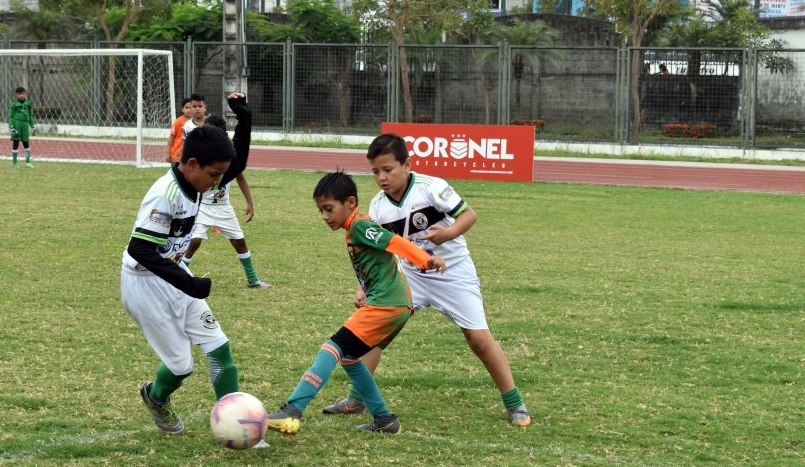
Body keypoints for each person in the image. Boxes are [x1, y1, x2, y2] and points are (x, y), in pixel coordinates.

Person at [320, 134, 532, 426]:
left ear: (406, 164)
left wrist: (448, 233)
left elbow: (469, 214)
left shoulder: (431, 187)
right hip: (409, 276)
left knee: (478, 339)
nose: (381, 178)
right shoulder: (379, 206)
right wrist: (363, 286)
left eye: (388, 170)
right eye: (375, 172)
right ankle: (357, 399)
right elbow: (378, 251)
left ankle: (515, 404)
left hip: (453, 273)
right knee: (375, 333)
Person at [266, 171, 446, 436]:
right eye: (320, 211)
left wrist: (425, 260)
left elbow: (393, 242)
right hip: (394, 304)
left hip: (387, 304)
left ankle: (293, 409)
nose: (325, 217)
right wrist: (365, 288)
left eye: (329, 209)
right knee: (350, 358)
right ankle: (385, 419)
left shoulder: (360, 225)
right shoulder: (354, 226)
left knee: (332, 347)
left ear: (350, 202)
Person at [122, 125, 259, 443]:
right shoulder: (165, 194)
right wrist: (189, 282)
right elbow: (139, 249)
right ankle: (155, 396)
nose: (218, 182)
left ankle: (235, 423)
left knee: (219, 350)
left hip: (175, 276)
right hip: (144, 284)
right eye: (215, 175)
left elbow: (235, 165)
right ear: (192, 164)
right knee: (181, 365)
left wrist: (244, 119)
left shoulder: (200, 181)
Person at [182, 92, 273, 289]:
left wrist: (249, 202)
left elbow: (239, 173)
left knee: (239, 242)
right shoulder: (200, 155)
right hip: (203, 206)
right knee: (194, 241)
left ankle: (253, 280)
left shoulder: (227, 158)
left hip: (223, 206)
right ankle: (178, 275)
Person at [8, 86, 34, 168]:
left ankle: (28, 162)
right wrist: (11, 127)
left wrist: (32, 126)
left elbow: (30, 115)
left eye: (22, 93)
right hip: (17, 124)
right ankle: (15, 163)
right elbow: (11, 117)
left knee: (26, 143)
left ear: (25, 94)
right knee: (16, 143)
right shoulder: (14, 104)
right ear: (16, 95)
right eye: (19, 94)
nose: (21, 95)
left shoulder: (28, 103)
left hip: (25, 125)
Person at [166, 97, 193, 163]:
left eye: (191, 108)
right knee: (176, 173)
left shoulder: (195, 122)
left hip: (189, 155)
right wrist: (167, 153)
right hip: (176, 155)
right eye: (186, 108)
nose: (189, 110)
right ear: (182, 109)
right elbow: (171, 137)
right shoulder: (177, 122)